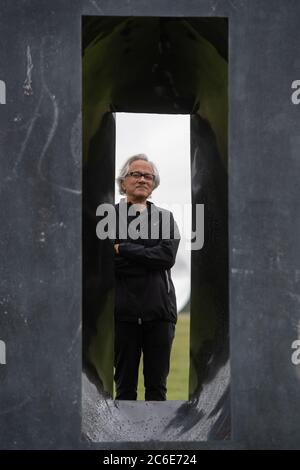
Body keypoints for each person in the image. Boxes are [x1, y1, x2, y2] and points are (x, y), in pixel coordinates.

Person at [113, 154, 180, 401]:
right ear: (123, 182)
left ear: (153, 184)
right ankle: (124, 442)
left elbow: (166, 257)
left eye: (148, 176)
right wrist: (148, 258)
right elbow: (107, 263)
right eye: (136, 174)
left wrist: (124, 248)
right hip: (123, 316)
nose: (142, 179)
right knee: (124, 391)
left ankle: (156, 443)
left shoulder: (166, 218)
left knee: (157, 390)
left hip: (160, 315)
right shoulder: (108, 217)